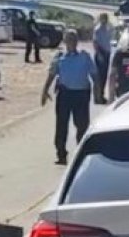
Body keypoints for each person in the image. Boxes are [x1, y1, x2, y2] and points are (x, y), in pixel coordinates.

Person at [41, 29, 101, 165]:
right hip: (65, 94)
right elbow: (51, 74)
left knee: (82, 125)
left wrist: (97, 92)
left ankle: (81, 155)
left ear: (77, 41)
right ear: (65, 41)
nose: (71, 42)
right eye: (68, 39)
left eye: (73, 39)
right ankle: (61, 154)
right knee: (61, 125)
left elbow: (94, 75)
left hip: (81, 94)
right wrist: (45, 91)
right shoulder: (59, 57)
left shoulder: (85, 57)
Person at [92, 13, 112, 103]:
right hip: (101, 53)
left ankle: (101, 95)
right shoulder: (98, 29)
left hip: (106, 53)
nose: (105, 20)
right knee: (99, 76)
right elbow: (95, 42)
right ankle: (97, 97)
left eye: (106, 18)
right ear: (100, 19)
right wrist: (99, 54)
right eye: (103, 18)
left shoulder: (107, 28)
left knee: (104, 76)